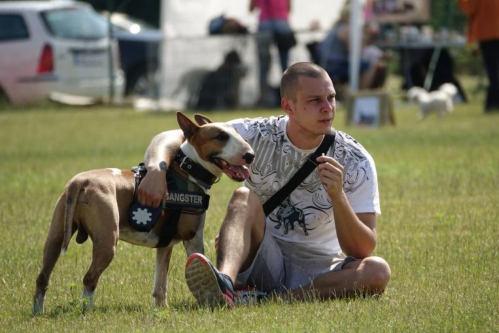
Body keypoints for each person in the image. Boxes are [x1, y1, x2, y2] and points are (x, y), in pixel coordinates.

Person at [137, 62, 391, 306]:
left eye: (331, 97)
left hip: (324, 268)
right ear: (288, 106)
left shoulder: (356, 159)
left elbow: (362, 248)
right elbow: (176, 136)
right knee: (243, 197)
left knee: (377, 270)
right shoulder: (257, 134)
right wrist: (156, 169)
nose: (328, 108)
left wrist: (338, 197)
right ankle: (225, 283)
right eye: (315, 100)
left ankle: (271, 300)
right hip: (263, 256)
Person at [319, 8, 387, 93]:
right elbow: (355, 51)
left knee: (366, 64)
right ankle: (361, 94)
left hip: (329, 63)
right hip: (334, 65)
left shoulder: (338, 26)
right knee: (369, 65)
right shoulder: (346, 29)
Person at [250, 0, 295, 107]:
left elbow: (251, 8)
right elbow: (289, 8)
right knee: (286, 67)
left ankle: (264, 99)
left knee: (264, 67)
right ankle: (290, 98)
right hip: (282, 23)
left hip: (265, 23)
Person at [459, 0, 499, 112]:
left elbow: (468, 8)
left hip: (487, 34)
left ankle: (493, 103)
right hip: (492, 32)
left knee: (493, 71)